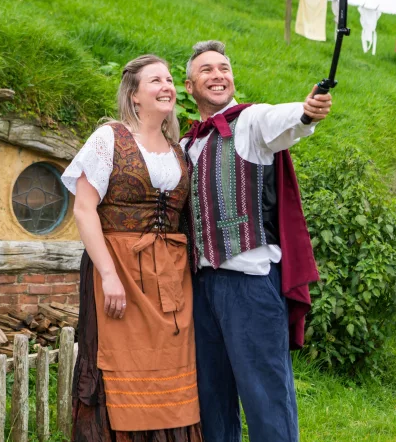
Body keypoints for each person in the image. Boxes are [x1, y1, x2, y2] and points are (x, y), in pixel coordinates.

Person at [180, 40, 331, 442]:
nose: (218, 75)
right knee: (212, 399)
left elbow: (286, 120)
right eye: (207, 70)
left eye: (224, 68)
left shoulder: (251, 123)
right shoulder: (186, 145)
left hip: (250, 283)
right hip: (202, 287)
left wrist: (306, 111)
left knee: (265, 396)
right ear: (189, 85)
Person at [62, 54, 203, 441]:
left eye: (170, 79)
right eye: (155, 80)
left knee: (172, 366)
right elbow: (84, 208)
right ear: (134, 95)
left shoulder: (179, 151)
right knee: (119, 365)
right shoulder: (110, 138)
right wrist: (108, 275)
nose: (167, 86)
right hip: (119, 270)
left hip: (170, 279)